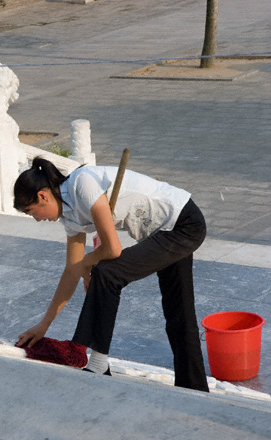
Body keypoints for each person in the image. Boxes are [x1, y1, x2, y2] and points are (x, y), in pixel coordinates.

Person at [13, 157, 208, 391]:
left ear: (43, 196)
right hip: (162, 231)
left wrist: (89, 263)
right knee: (179, 313)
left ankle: (96, 362)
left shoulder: (82, 184)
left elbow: (112, 249)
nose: (36, 219)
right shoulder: (70, 215)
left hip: (183, 223)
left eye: (31, 211)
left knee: (107, 272)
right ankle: (194, 389)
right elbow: (71, 271)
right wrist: (44, 325)